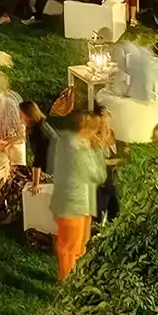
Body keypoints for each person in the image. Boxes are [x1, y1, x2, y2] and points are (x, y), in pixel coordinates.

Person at [49, 111, 112, 281]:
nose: (99, 133)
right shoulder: (78, 150)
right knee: (70, 247)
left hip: (77, 203)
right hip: (74, 205)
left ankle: (74, 278)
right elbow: (98, 175)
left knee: (78, 245)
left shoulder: (68, 140)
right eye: (97, 128)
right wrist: (98, 150)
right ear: (85, 127)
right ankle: (67, 282)